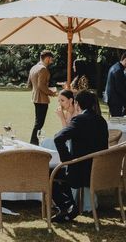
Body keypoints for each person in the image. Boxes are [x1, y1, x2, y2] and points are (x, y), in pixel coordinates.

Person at [51, 90, 109, 222]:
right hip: (100, 168)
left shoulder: (79, 120)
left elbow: (58, 138)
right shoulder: (101, 120)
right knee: (59, 171)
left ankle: (68, 207)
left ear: (77, 104)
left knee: (51, 172)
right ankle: (70, 206)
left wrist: (66, 161)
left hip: (83, 171)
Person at [29, 49, 57, 145]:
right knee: (39, 123)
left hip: (35, 97)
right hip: (42, 99)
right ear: (47, 58)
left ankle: (34, 142)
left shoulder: (34, 67)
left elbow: (29, 84)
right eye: (51, 59)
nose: (52, 61)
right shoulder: (43, 69)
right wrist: (51, 93)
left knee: (38, 122)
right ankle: (33, 143)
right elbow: (41, 86)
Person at [105, 51, 126, 116]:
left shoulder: (116, 66)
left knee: (117, 119)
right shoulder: (118, 70)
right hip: (115, 100)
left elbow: (118, 85)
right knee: (117, 120)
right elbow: (119, 88)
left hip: (113, 98)